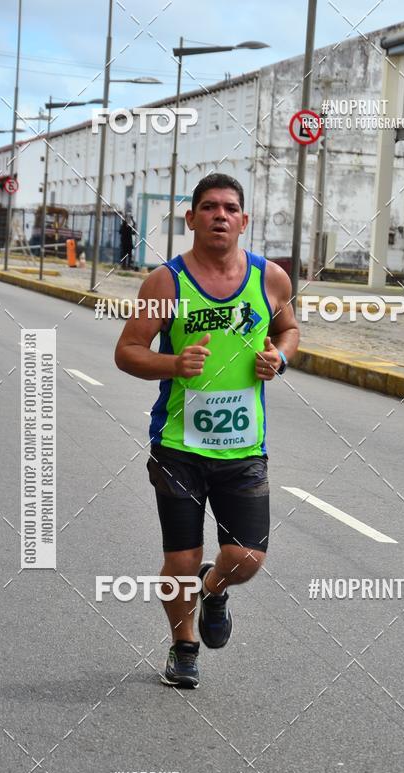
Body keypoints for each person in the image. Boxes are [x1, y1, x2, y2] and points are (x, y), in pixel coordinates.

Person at [115, 172, 299, 689]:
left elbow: (289, 329)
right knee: (181, 557)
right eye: (209, 206)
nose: (220, 215)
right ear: (191, 218)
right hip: (179, 446)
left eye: (230, 207)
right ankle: (184, 646)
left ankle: (214, 589)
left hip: (244, 448)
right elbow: (127, 352)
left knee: (246, 558)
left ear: (244, 220)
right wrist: (174, 364)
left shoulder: (271, 279)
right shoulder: (165, 283)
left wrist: (279, 359)